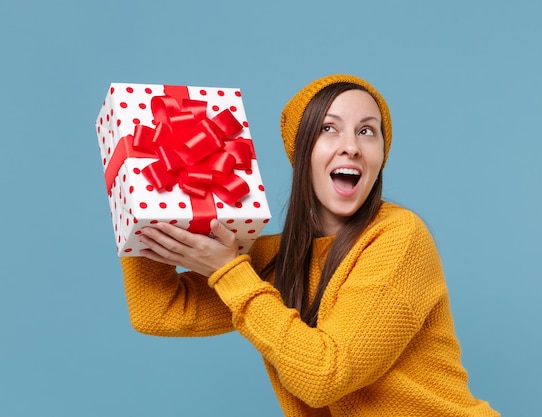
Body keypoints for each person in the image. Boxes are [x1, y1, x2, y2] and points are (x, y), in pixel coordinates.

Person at [121, 74, 500, 416]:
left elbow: (325, 376)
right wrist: (151, 200)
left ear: (381, 155)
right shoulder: (275, 260)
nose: (351, 146)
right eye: (329, 129)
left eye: (367, 131)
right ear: (301, 151)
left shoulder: (400, 237)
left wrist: (230, 274)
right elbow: (157, 309)